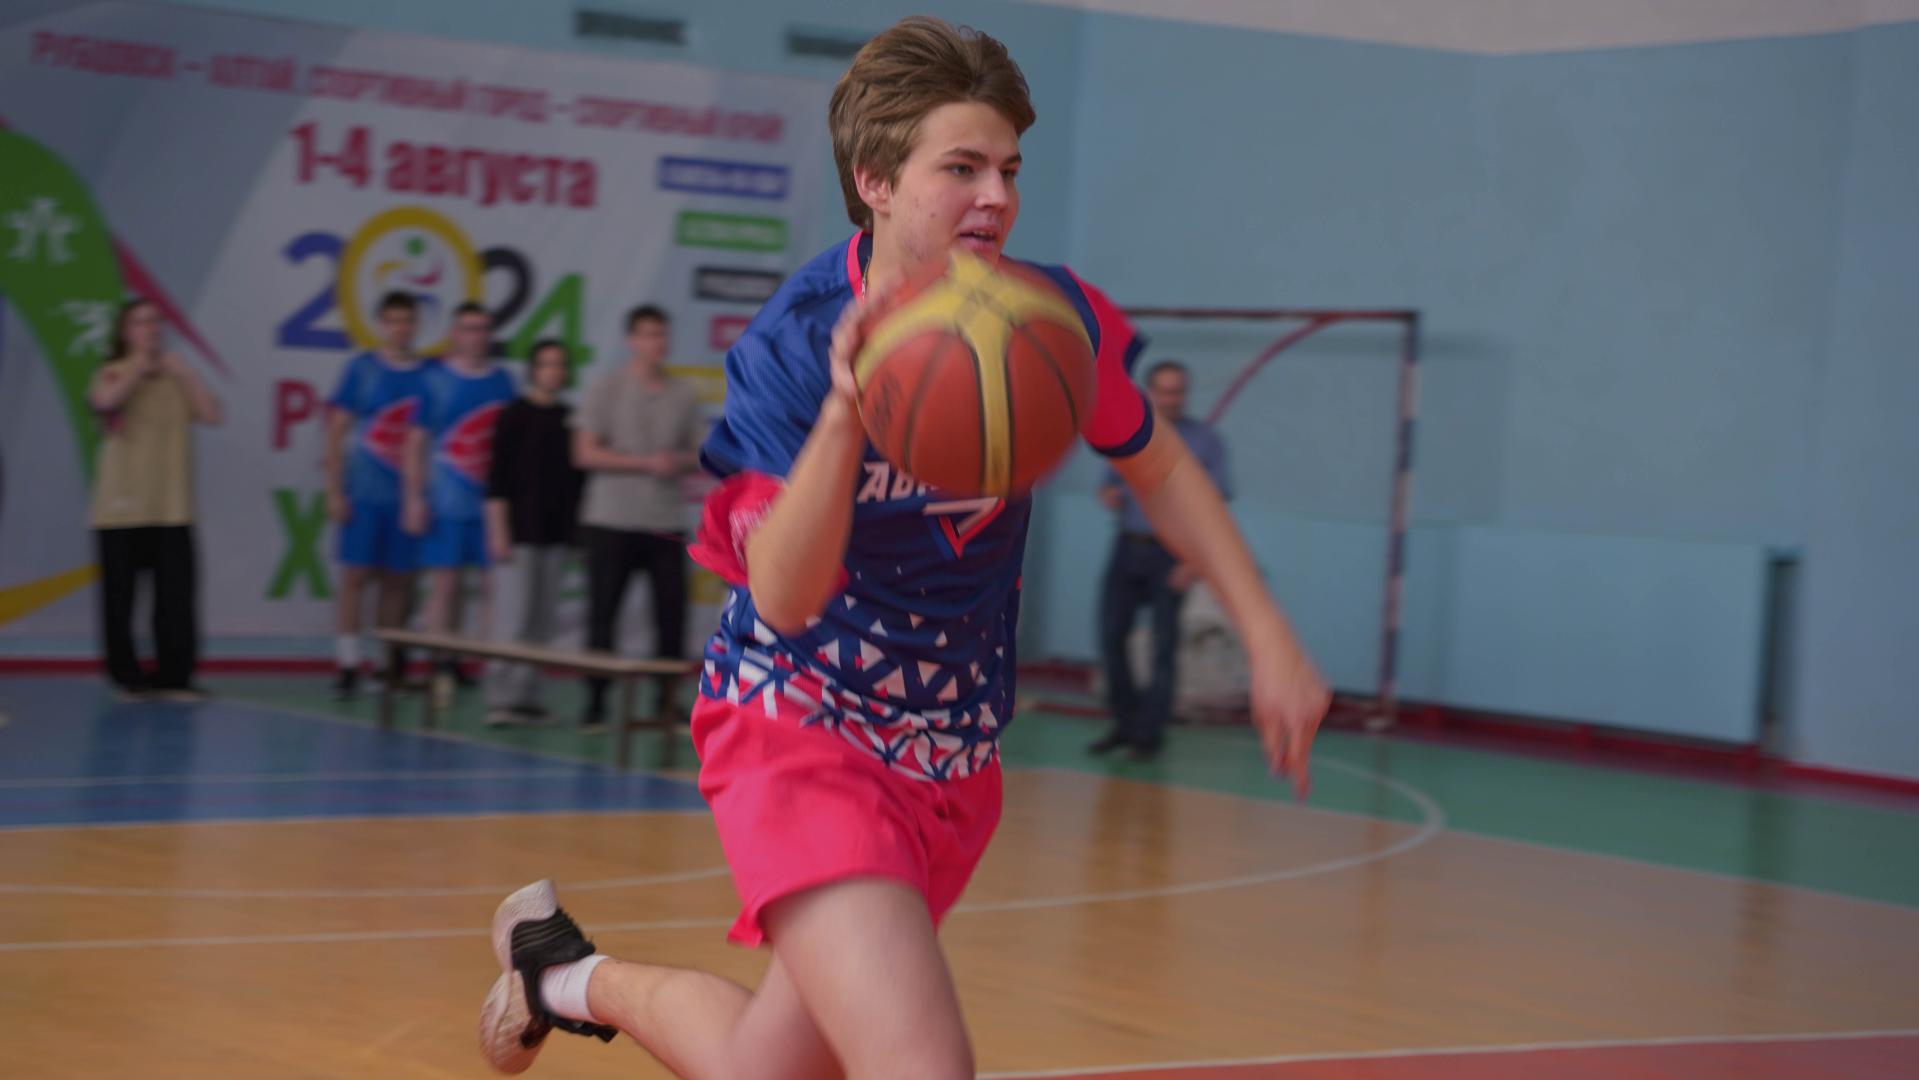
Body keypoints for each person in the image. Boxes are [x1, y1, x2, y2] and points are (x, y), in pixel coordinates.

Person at [477, 17, 1328, 1080]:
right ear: (874, 181)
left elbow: (1155, 463)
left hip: (951, 750)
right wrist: (848, 413)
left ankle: (558, 974)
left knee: (762, 1069)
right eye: (961, 168)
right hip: (799, 723)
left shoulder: (1048, 322)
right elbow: (783, 595)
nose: (996, 197)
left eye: (1009, 170)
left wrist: (1266, 633)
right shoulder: (791, 349)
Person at [1090, 359, 1232, 760]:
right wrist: (1110, 495)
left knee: (1163, 646)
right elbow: (1108, 485)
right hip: (1127, 546)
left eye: (1178, 391)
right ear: (1149, 393)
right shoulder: (1130, 433)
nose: (1171, 398)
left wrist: (1194, 561)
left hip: (1173, 553)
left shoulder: (1205, 442)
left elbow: (1216, 509)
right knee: (1111, 636)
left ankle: (1148, 735)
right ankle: (1125, 723)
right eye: (1164, 391)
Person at [570, 305, 702, 729]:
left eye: (661, 334)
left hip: (664, 519)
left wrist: (678, 461)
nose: (656, 343)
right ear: (631, 340)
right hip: (610, 518)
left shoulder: (683, 393)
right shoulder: (607, 387)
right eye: (647, 334)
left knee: (672, 616)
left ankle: (667, 701)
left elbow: (700, 452)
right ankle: (596, 702)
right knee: (602, 614)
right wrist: (644, 463)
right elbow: (584, 452)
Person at [86, 299, 223, 702]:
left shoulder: (175, 375)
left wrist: (187, 373)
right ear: (126, 331)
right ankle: (127, 677)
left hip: (172, 506)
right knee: (121, 599)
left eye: (156, 322)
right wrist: (138, 368)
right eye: (141, 322)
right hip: (121, 508)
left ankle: (175, 677)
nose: (151, 329)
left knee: (176, 598)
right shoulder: (112, 372)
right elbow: (104, 401)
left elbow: (212, 415)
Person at [405, 302, 518, 707]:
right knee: (446, 586)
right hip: (447, 503)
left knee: (491, 587)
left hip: (491, 507)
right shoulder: (434, 381)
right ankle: (441, 663)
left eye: (483, 328)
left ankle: (484, 664)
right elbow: (415, 443)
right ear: (454, 333)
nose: (477, 336)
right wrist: (414, 496)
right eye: (469, 328)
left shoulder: (503, 382)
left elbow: (513, 446)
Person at [324, 291, 431, 699]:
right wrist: (335, 490)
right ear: (382, 325)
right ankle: (348, 664)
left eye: (408, 321)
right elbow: (336, 432)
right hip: (364, 493)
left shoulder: (429, 375)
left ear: (417, 325)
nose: (401, 328)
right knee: (354, 577)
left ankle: (388, 666)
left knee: (398, 581)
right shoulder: (361, 369)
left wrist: (421, 497)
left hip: (405, 498)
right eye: (394, 321)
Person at [482, 339, 585, 725]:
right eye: (546, 364)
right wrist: (498, 531)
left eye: (559, 365)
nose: (553, 372)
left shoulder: (570, 418)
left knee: (541, 620)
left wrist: (575, 535)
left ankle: (527, 696)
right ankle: (501, 697)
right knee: (513, 618)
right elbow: (496, 480)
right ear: (534, 370)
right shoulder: (513, 415)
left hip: (555, 535)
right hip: (519, 534)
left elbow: (576, 484)